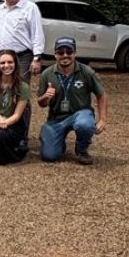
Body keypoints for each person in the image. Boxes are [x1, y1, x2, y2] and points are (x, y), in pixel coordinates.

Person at [0, 0, 45, 149]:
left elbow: (37, 33)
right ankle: (3, 130)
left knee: (21, 94)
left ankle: (22, 136)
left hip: (21, 58)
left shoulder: (30, 8)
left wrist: (37, 58)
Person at [37, 37, 108, 165]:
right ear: (55, 55)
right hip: (56, 117)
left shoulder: (86, 72)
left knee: (85, 125)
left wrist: (102, 119)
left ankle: (81, 149)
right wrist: (45, 97)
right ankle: (58, 143)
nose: (65, 55)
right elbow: (41, 103)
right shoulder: (47, 74)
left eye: (69, 52)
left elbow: (101, 94)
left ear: (75, 53)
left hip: (80, 113)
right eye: (60, 52)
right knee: (49, 155)